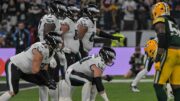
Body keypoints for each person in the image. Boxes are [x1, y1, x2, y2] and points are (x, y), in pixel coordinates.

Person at [0, 32, 62, 101]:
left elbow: (44, 68)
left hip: (26, 70)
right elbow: (35, 70)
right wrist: (48, 81)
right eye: (58, 42)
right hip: (14, 65)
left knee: (43, 84)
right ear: (51, 42)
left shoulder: (51, 51)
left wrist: (48, 79)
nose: (59, 45)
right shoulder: (40, 48)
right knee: (13, 91)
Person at [37, 1, 67, 101]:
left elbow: (56, 36)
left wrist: (60, 49)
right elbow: (47, 36)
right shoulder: (50, 18)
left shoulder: (52, 18)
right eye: (60, 11)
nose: (62, 13)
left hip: (50, 50)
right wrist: (51, 56)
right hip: (46, 51)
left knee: (54, 79)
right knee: (47, 80)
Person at [151, 2, 180, 101]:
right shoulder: (173, 23)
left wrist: (158, 58)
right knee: (177, 87)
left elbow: (162, 37)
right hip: (179, 54)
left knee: (157, 84)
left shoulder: (160, 20)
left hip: (170, 53)